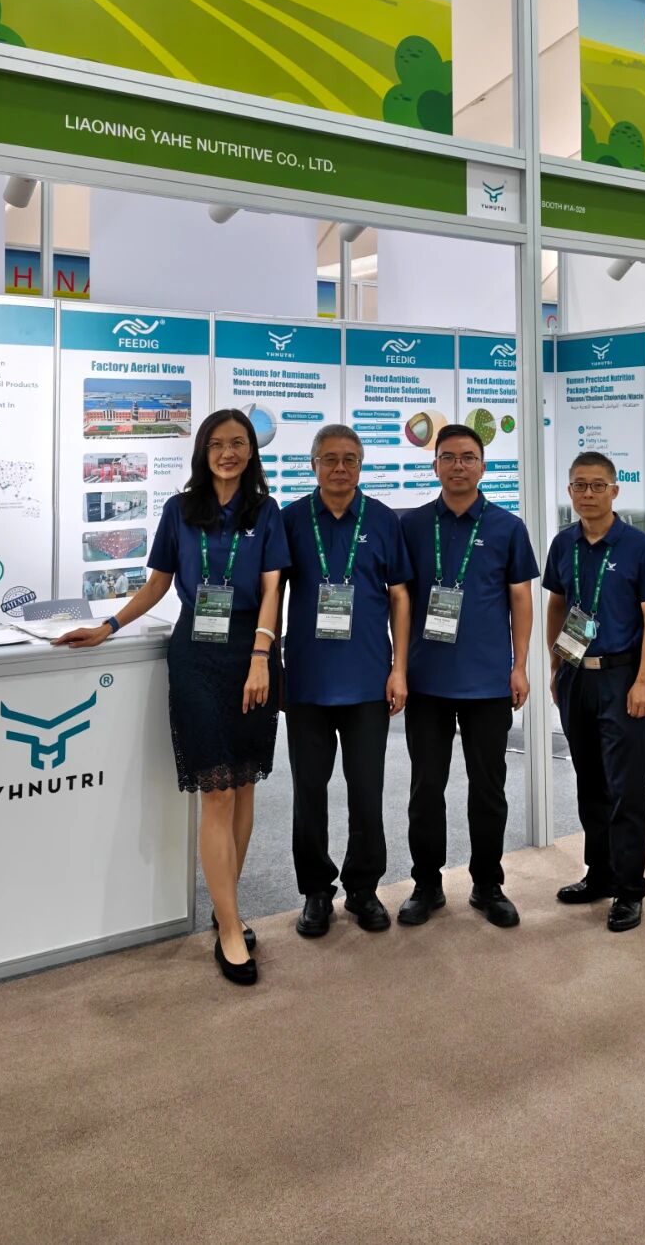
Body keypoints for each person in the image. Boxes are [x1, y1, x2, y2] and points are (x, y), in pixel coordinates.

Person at [57, 409, 286, 987]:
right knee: (217, 791)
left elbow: (271, 590)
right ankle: (230, 929)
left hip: (251, 652)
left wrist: (261, 655)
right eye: (218, 444)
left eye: (238, 443)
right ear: (203, 451)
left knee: (244, 783)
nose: (228, 453)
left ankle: (226, 905)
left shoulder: (266, 512)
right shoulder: (179, 511)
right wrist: (107, 625)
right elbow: (158, 583)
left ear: (251, 451)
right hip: (197, 658)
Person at [396, 424, 540, 929]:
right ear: (435, 464)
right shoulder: (412, 526)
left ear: (483, 465)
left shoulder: (507, 527)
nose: (458, 465)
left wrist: (519, 665)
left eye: (468, 457)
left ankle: (487, 884)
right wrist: (398, 667)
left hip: (487, 682)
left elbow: (520, 598)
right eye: (449, 457)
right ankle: (426, 884)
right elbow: (400, 601)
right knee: (425, 789)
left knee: (488, 789)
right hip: (427, 681)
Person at [281, 424, 411, 938]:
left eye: (350, 459)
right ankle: (316, 890)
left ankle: (362, 888)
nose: (340, 468)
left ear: (361, 465)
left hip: (367, 682)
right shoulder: (291, 520)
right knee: (309, 792)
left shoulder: (382, 520)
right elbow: (271, 592)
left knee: (367, 790)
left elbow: (399, 596)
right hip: (307, 683)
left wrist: (399, 668)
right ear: (313, 464)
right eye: (330, 459)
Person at [542, 451, 645, 933]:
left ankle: (629, 888)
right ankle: (599, 874)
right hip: (577, 675)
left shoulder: (640, 547)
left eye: (598, 485)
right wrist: (556, 664)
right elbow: (558, 605)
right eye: (580, 485)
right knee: (590, 781)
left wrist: (643, 681)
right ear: (570, 491)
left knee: (626, 786)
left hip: (622, 678)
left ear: (615, 491)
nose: (589, 494)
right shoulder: (564, 543)